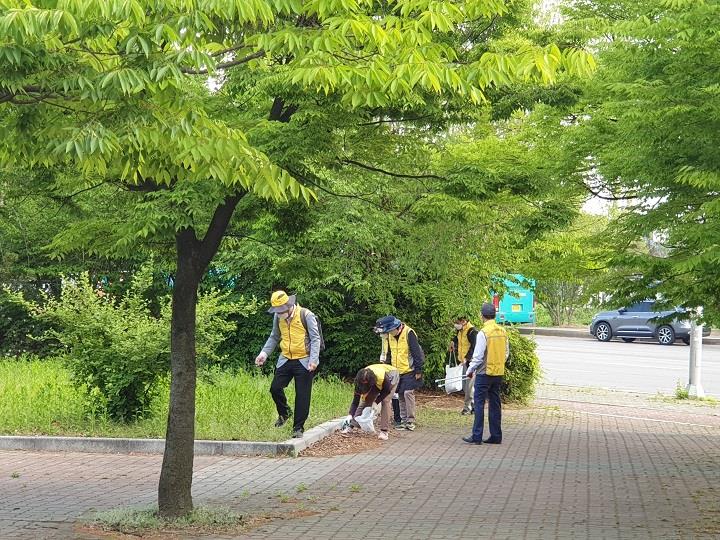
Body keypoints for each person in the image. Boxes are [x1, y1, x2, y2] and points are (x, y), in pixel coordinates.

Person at [255, 290, 321, 439]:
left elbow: (315, 339)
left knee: (302, 395)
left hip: (304, 360)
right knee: (275, 388)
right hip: (285, 358)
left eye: (281, 311)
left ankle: (298, 427)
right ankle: (285, 413)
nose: (278, 314)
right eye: (276, 311)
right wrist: (263, 354)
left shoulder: (306, 315)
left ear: (289, 305)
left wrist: (313, 360)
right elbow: (274, 336)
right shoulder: (278, 318)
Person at [462, 302, 509, 445]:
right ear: (494, 315)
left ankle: (477, 436)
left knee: (479, 404)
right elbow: (506, 353)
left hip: (484, 373)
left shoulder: (483, 333)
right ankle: (496, 435)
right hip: (498, 372)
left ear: (482, 316)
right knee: (495, 404)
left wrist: (470, 370)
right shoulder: (502, 331)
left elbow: (477, 356)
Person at [374, 315, 424, 431]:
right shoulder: (390, 336)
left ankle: (410, 420)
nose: (390, 334)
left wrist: (418, 370)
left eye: (391, 331)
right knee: (400, 394)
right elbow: (390, 353)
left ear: (396, 327)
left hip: (409, 369)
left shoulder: (409, 333)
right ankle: (403, 419)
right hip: (396, 370)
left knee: (408, 393)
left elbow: (416, 352)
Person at [342, 364, 400, 440]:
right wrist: (350, 415)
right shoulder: (359, 382)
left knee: (385, 401)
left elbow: (386, 391)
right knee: (366, 400)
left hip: (391, 376)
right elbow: (355, 401)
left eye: (366, 383)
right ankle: (352, 425)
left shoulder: (382, 378)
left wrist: (376, 402)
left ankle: (384, 431)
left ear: (370, 383)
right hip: (375, 380)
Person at [450, 315, 478, 415]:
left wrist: (467, 358)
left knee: (469, 386)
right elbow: (459, 340)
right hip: (463, 362)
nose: (456, 325)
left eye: (458, 322)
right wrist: (453, 342)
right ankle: (474, 406)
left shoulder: (472, 331)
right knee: (467, 386)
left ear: (464, 321)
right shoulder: (461, 331)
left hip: (471, 363)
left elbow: (474, 347)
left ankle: (468, 407)